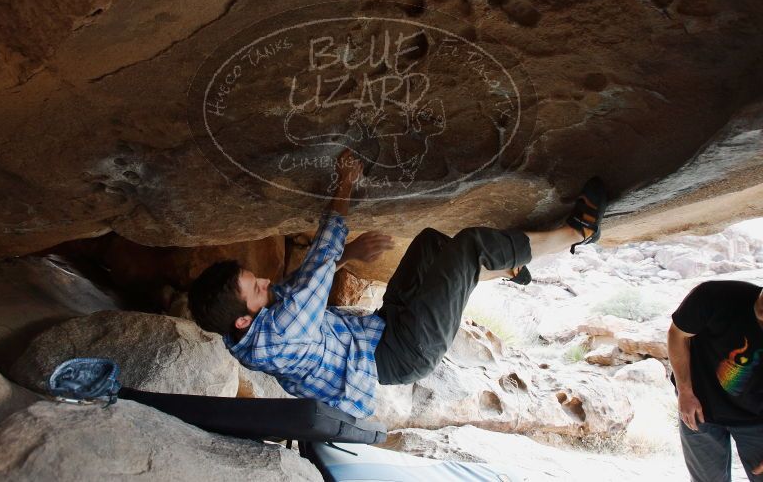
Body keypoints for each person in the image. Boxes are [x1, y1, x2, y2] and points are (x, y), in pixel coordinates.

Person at [188, 149, 607, 418]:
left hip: (382, 329)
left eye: (256, 278)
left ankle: (504, 268)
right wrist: (346, 183)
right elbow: (316, 264)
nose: (266, 283)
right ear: (244, 319)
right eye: (256, 287)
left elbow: (293, 289)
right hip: (404, 353)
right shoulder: (279, 334)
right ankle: (578, 233)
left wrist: (349, 256)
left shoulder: (242, 328)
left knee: (430, 245)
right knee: (467, 246)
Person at [668, 280, 763, 481]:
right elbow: (677, 335)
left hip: (757, 419)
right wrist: (685, 392)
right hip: (701, 405)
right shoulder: (713, 296)